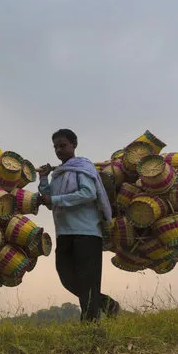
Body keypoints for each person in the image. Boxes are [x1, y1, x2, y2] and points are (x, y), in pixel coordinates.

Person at [37, 128, 120, 322]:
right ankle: (108, 304)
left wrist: (55, 199)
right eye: (56, 147)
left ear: (74, 145)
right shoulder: (57, 174)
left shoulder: (83, 168)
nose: (59, 150)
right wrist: (43, 178)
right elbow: (50, 200)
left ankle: (90, 324)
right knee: (66, 277)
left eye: (63, 145)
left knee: (88, 280)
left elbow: (88, 193)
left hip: (87, 232)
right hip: (64, 233)